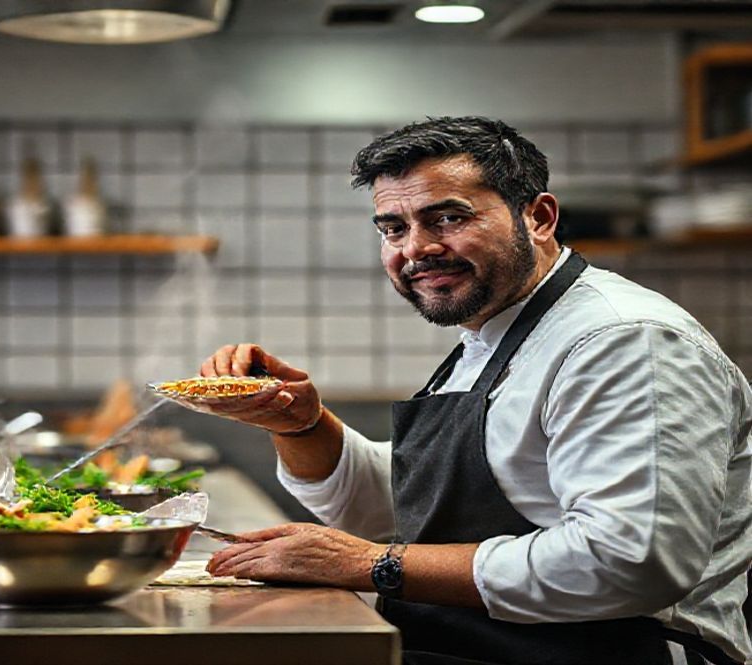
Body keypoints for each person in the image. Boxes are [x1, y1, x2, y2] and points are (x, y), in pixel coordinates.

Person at [173, 116, 752, 665]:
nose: (416, 248)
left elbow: (628, 563)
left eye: (447, 218)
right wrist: (299, 423)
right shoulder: (492, 337)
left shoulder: (623, 341)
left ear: (539, 218)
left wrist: (373, 565)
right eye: (395, 228)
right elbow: (405, 513)